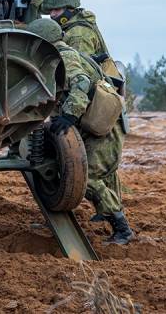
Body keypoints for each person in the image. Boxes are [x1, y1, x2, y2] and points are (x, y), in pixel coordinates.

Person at [26, 18, 134, 245]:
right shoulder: (59, 54)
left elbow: (82, 83)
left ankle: (122, 229)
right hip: (92, 122)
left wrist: (69, 116)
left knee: (88, 177)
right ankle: (107, 215)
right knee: (85, 173)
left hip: (104, 125)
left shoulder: (64, 57)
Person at [39, 0, 123, 82]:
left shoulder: (78, 36)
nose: (52, 14)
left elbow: (81, 74)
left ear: (70, 9)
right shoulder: (76, 21)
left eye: (57, 10)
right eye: (50, 10)